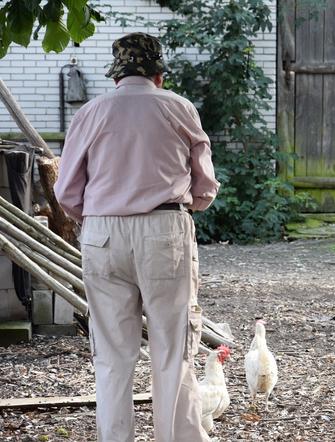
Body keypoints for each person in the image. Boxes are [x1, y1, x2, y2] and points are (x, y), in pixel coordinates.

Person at [54, 32, 220, 442]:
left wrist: (93, 219)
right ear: (158, 75)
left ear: (116, 77)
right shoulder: (179, 108)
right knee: (173, 350)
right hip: (164, 228)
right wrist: (189, 205)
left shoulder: (91, 113)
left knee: (111, 355)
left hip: (102, 232)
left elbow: (65, 191)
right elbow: (205, 188)